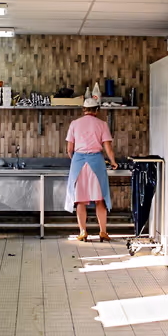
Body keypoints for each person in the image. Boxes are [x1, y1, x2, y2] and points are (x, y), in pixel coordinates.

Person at [65, 97, 118, 242]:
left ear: (84, 109)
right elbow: (108, 147)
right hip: (97, 163)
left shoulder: (74, 124)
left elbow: (69, 149)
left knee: (80, 200)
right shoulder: (102, 124)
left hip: (79, 164)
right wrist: (113, 161)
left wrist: (76, 159)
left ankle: (83, 232)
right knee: (100, 199)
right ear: (97, 110)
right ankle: (103, 232)